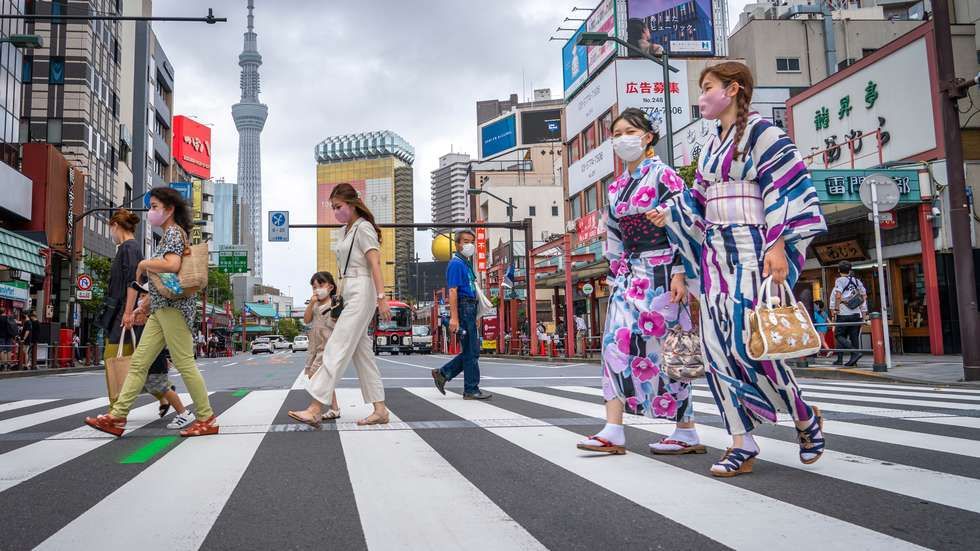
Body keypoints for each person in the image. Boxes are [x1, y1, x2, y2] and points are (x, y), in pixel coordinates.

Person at [663, 61, 828, 476]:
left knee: (750, 342)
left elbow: (784, 187)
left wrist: (777, 242)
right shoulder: (710, 146)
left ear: (733, 89)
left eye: (708, 87)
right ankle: (741, 440)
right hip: (714, 253)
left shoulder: (763, 133)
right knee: (716, 348)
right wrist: (674, 234)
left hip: (752, 247)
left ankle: (803, 414)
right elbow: (696, 204)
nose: (702, 96)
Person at [577, 107, 705, 457]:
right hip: (630, 273)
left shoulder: (665, 176)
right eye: (616, 134)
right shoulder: (616, 187)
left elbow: (688, 222)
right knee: (613, 344)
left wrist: (680, 271)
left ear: (648, 137)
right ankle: (613, 428)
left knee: (669, 351)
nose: (622, 140)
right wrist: (616, 274)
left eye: (629, 132)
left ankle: (686, 430)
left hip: (664, 272)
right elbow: (614, 234)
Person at [84, 186, 217, 438]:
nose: (150, 211)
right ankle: (117, 416)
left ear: (170, 209)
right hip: (160, 309)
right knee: (138, 364)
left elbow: (172, 266)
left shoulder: (174, 233)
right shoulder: (168, 235)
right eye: (150, 206)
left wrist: (143, 264)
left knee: (184, 363)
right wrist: (143, 306)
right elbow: (163, 282)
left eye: (155, 206)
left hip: (174, 310)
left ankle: (206, 417)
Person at [288, 183, 391, 427]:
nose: (335, 212)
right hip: (348, 289)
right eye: (333, 208)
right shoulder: (346, 230)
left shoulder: (364, 228)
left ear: (352, 204)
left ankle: (315, 408)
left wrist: (382, 297)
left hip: (362, 289)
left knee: (336, 345)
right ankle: (380, 410)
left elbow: (375, 264)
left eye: (338, 206)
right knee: (362, 354)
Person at [430, 229, 490, 400]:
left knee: (473, 351)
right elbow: (453, 291)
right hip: (464, 307)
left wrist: (476, 315)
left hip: (470, 307)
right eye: (465, 241)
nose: (470, 245)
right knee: (471, 351)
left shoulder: (465, 263)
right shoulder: (456, 264)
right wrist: (454, 317)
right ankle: (470, 389)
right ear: (457, 244)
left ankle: (443, 374)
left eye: (472, 242)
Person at [303, 271, 342, 419]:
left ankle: (315, 410)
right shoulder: (314, 304)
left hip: (328, 345)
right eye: (314, 287)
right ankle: (334, 408)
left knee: (316, 374)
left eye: (320, 286)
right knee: (322, 376)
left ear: (330, 287)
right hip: (315, 345)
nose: (317, 290)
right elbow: (306, 320)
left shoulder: (334, 303)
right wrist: (311, 303)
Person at [830, 260, 868, 366]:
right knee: (854, 337)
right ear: (850, 270)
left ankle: (855, 353)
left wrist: (836, 309)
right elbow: (864, 296)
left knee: (838, 335)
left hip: (844, 314)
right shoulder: (857, 281)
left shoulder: (839, 280)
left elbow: (837, 296)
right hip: (856, 314)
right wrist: (863, 313)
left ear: (839, 270)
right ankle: (853, 361)